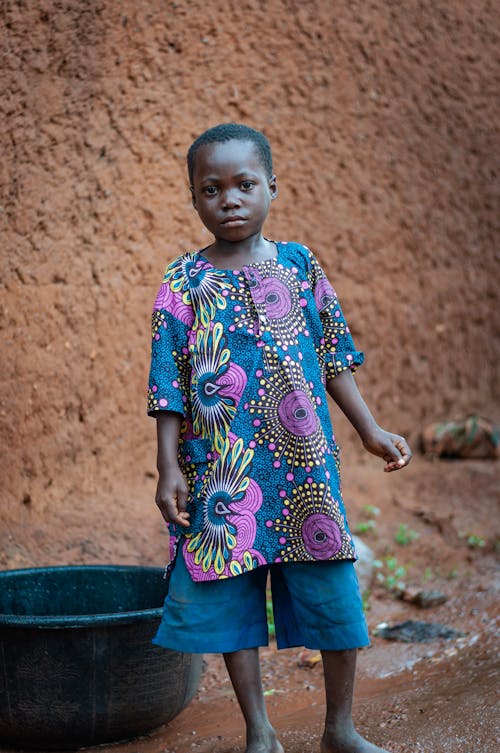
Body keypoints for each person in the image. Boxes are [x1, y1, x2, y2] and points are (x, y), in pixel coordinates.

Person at [147, 123, 412, 753]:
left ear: (272, 186)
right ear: (194, 199)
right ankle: (260, 732)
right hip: (222, 476)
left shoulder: (300, 266)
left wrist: (370, 430)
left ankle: (340, 728)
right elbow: (167, 386)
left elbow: (333, 357)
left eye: (244, 184)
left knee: (331, 592)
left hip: (305, 470)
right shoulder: (182, 283)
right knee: (232, 599)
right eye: (211, 189)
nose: (230, 199)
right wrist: (167, 468)